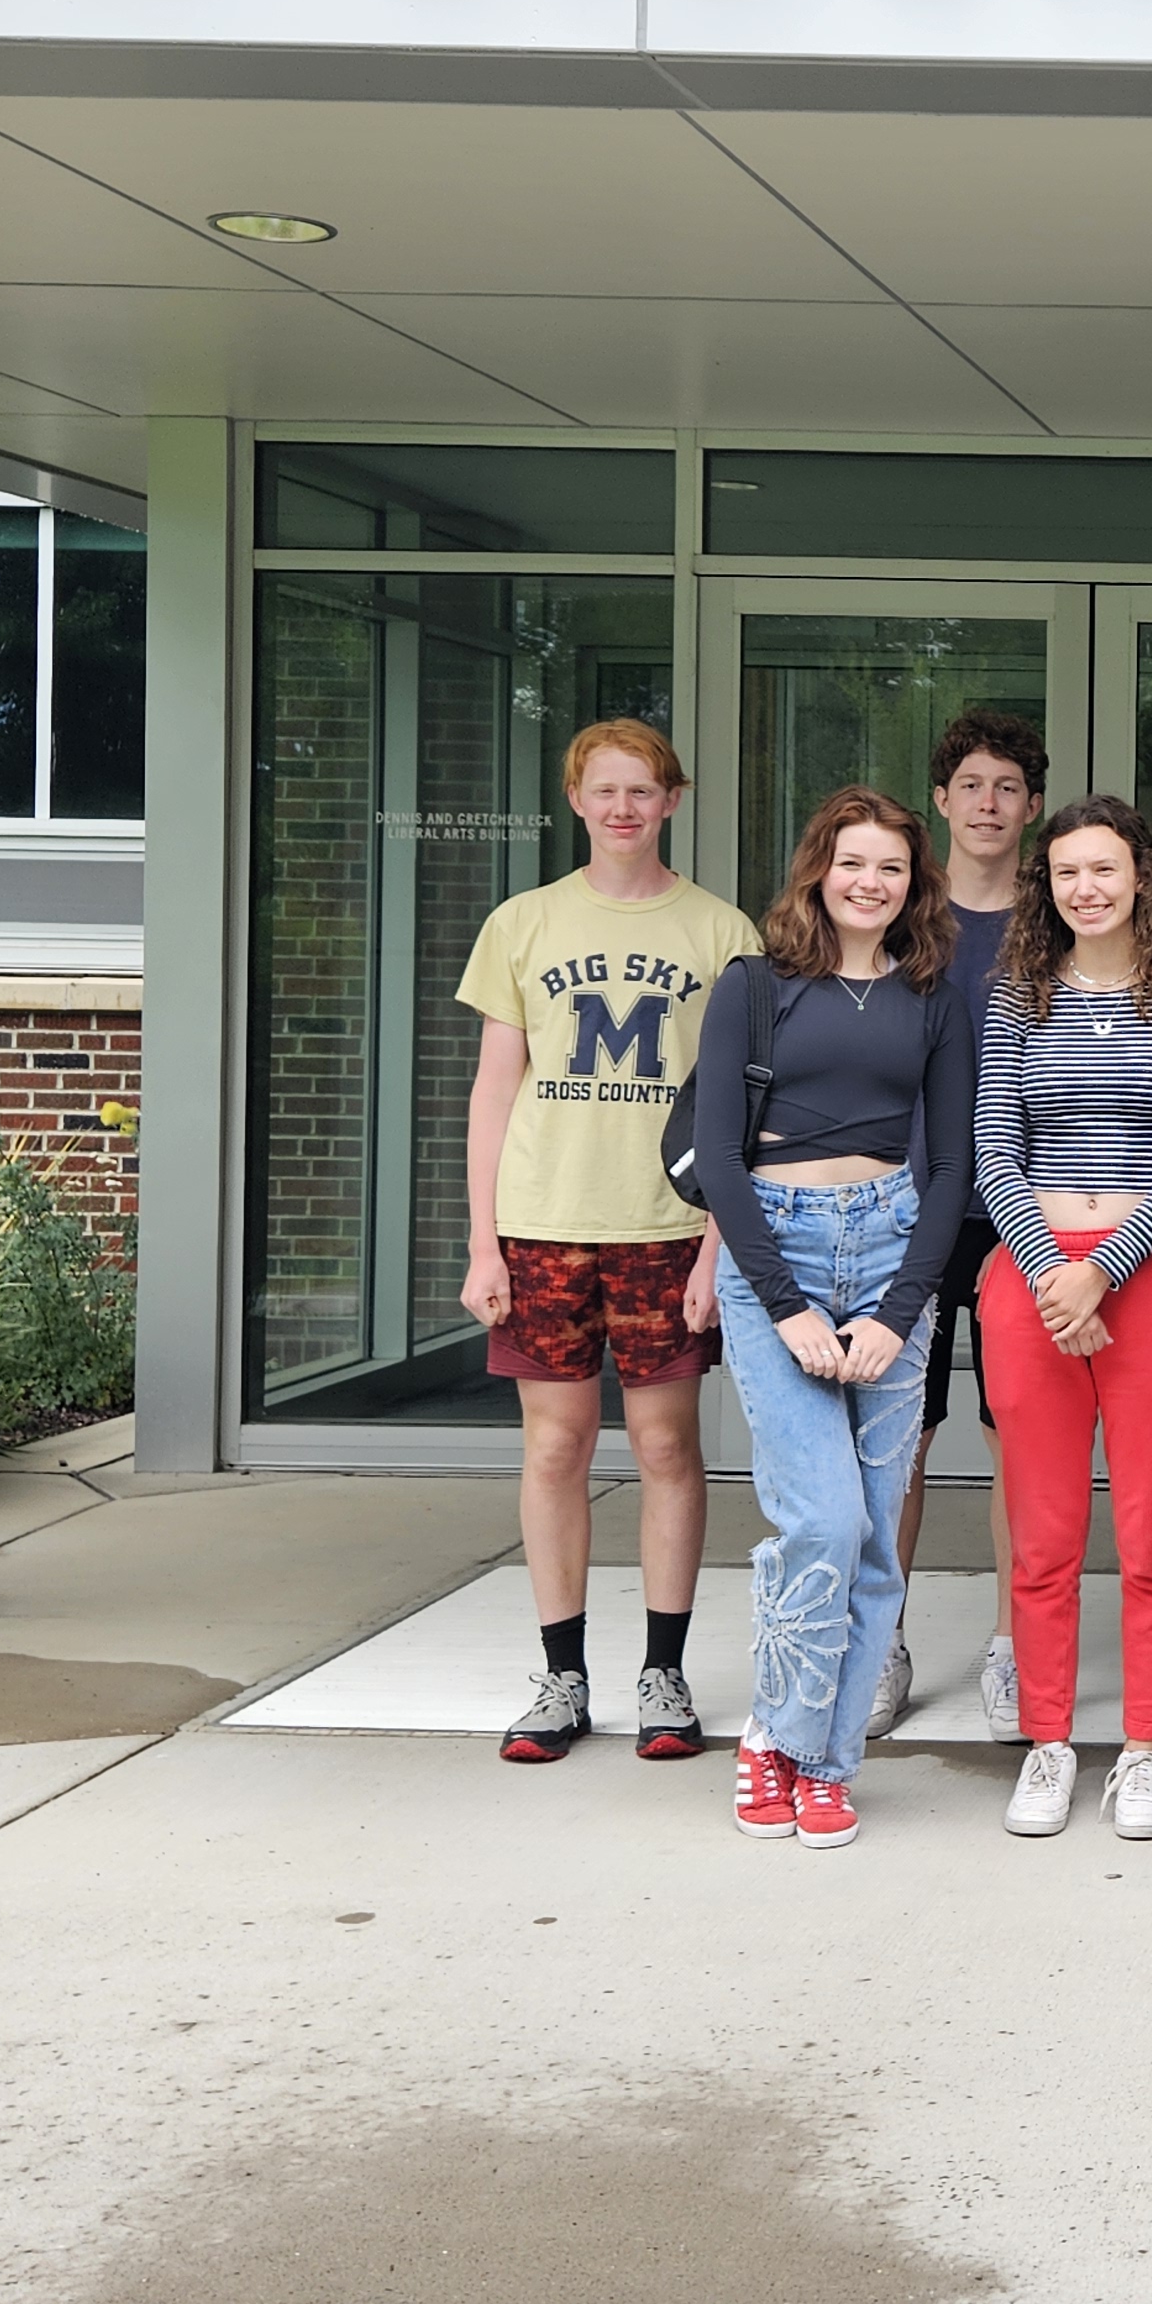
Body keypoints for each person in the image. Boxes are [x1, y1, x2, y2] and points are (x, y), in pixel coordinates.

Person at [453, 720, 757, 1768]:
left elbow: (736, 1110)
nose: (625, 807)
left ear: (673, 800)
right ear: (576, 799)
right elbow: (496, 1090)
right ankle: (561, 1674)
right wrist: (482, 1244)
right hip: (544, 1221)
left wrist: (720, 1247)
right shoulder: (522, 924)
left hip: (666, 1227)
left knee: (670, 1446)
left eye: (645, 790)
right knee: (555, 1447)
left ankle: (662, 1671)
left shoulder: (724, 934)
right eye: (605, 790)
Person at [693, 786, 970, 1852]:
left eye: (892, 868)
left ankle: (824, 1761)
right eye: (853, 863)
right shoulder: (754, 989)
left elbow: (947, 1167)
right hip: (780, 1254)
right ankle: (773, 1734)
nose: (871, 883)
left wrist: (903, 1311)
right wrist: (787, 1305)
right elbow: (720, 1161)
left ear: (914, 884)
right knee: (821, 1521)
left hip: (892, 1245)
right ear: (819, 870)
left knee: (875, 1553)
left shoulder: (933, 995)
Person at [974, 796, 1152, 1842]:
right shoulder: (1014, 996)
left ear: (1141, 877)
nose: (1086, 888)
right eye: (1067, 871)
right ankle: (1046, 1743)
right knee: (1041, 1535)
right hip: (1031, 1285)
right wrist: (1052, 1274)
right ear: (1048, 885)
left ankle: (1141, 1747)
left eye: (1105, 869)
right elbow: (994, 1148)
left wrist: (1105, 1270)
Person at [894, 708, 1049, 1741]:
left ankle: (1011, 1649)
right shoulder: (899, 910)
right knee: (896, 1431)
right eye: (972, 785)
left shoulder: (1055, 918)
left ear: (1029, 806)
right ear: (941, 799)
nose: (989, 804)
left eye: (1008, 787)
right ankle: (879, 1642)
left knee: (1018, 1434)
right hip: (903, 1204)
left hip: (1018, 1210)